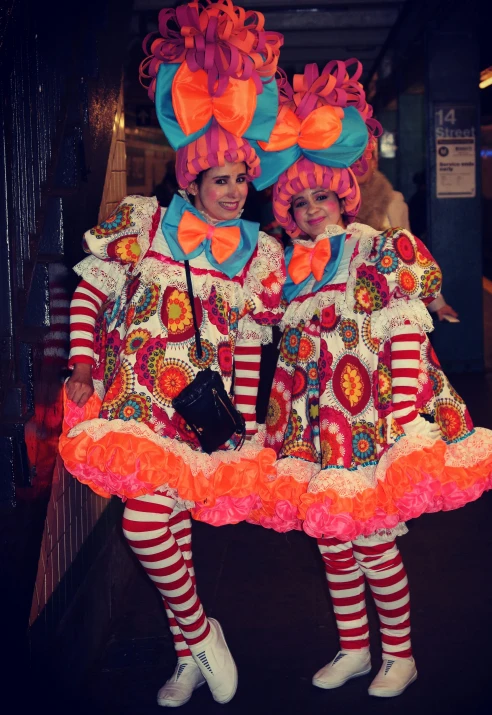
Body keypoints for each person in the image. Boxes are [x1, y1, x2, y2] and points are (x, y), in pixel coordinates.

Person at [222, 59, 492, 699]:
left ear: (343, 195)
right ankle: (355, 647)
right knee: (332, 537)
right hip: (309, 424)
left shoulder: (372, 245)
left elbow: (416, 300)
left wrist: (410, 392)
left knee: (375, 542)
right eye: (297, 203)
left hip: (368, 421)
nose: (309, 210)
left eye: (319, 197)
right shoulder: (288, 268)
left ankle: (400, 655)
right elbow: (254, 324)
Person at [59, 1, 284, 707]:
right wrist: (83, 361)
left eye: (241, 180)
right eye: (221, 180)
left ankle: (187, 655)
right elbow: (91, 290)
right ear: (191, 181)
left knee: (172, 524)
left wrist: (244, 420)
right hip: (135, 399)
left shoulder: (260, 254)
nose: (233, 191)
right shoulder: (144, 223)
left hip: (201, 411)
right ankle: (201, 629)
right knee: (144, 520)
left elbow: (252, 342)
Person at [358, 156, 458, 322]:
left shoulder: (392, 200)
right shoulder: (332, 205)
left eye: (364, 156)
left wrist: (437, 302)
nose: (358, 163)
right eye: (351, 157)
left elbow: (409, 254)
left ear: (374, 162)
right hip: (355, 302)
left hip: (392, 302)